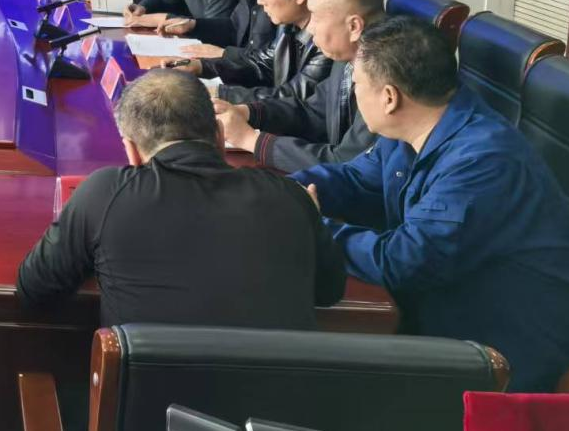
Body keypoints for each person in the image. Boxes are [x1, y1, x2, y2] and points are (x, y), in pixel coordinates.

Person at [292, 16, 569, 393]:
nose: (355, 93)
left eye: (357, 84)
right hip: (443, 312)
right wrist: (284, 192)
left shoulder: (482, 161)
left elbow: (403, 262)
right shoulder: (413, 125)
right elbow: (355, 180)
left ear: (389, 97)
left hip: (500, 354)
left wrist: (311, 226)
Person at [18, 67, 345, 325]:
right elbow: (329, 291)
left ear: (131, 151)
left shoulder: (104, 194)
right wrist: (312, 217)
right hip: (275, 394)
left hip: (146, 394)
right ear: (219, 135)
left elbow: (34, 290)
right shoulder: (290, 197)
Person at [213, 0, 382, 171]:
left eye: (317, 18)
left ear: (354, 26)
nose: (311, 28)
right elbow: (311, 112)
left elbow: (347, 164)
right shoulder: (349, 56)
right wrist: (248, 112)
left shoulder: (383, 76)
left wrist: (251, 141)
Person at [169, 0, 332, 104]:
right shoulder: (289, 25)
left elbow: (293, 96)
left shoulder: (328, 42)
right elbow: (262, 64)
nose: (260, 0)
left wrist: (219, 92)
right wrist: (201, 66)